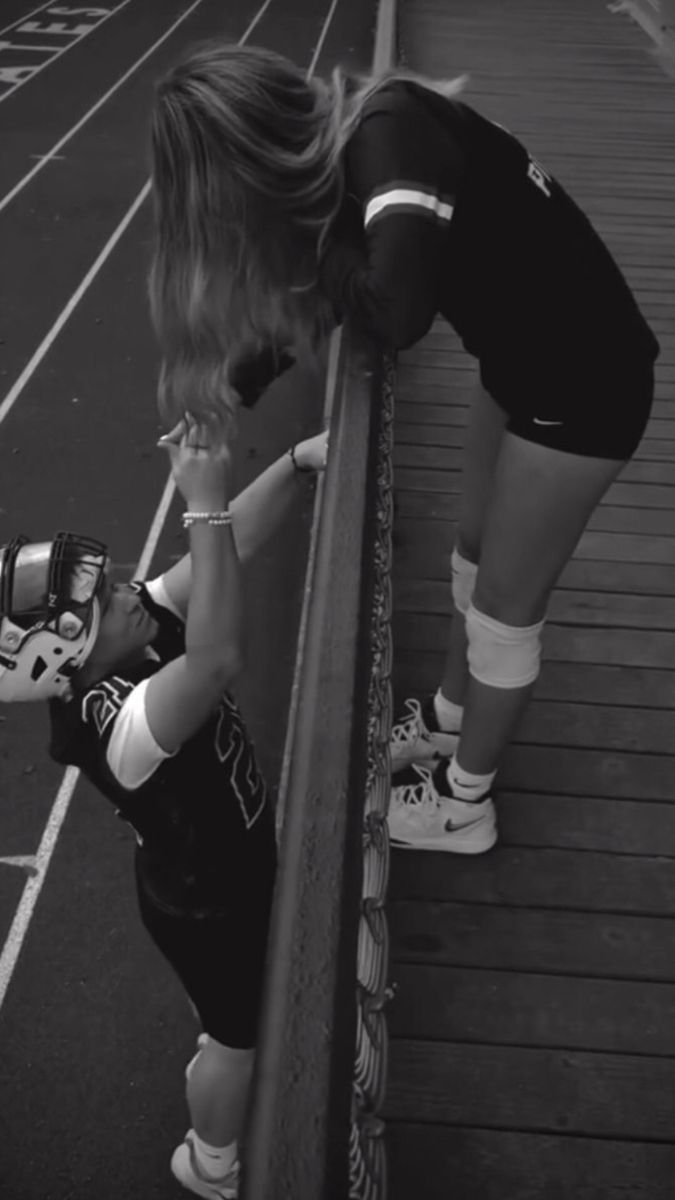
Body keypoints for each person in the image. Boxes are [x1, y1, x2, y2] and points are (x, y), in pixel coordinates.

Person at [146, 42, 659, 856]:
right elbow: (340, 289)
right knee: (470, 559)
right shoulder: (361, 134)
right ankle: (452, 723)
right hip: (520, 362)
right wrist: (230, 395)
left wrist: (316, 243)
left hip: (583, 385)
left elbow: (395, 309)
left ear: (257, 157)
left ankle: (465, 807)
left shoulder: (389, 133)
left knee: (502, 613)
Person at [0, 421, 328, 1200]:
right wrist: (203, 503)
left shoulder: (122, 636)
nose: (122, 585)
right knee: (238, 1041)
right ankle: (209, 1164)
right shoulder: (111, 723)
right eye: (105, 603)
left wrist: (291, 464)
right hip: (206, 903)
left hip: (226, 865)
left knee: (241, 1013)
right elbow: (216, 657)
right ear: (62, 661)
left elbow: (219, 557)